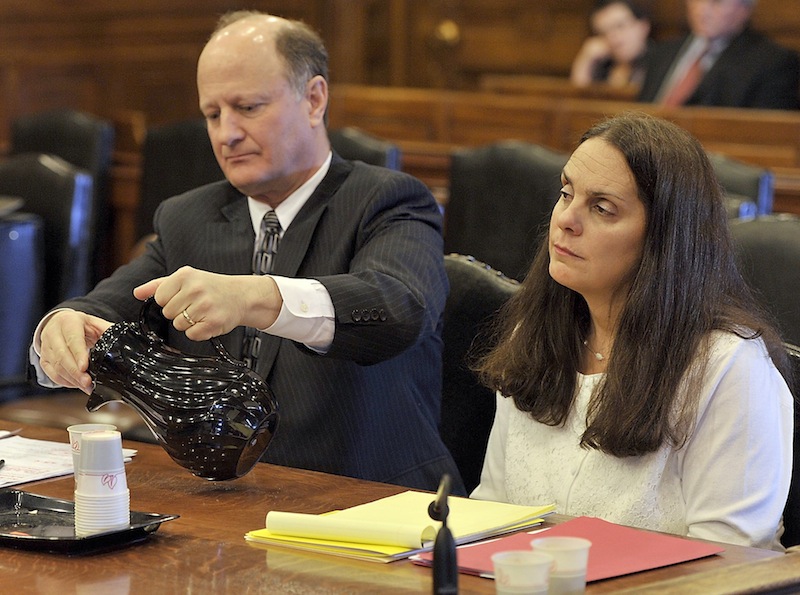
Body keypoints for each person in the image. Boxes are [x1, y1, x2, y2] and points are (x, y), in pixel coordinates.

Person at [31, 11, 465, 495]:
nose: (226, 133)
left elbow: (398, 306)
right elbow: (105, 307)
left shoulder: (389, 200)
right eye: (213, 114)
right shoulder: (187, 218)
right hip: (231, 506)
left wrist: (251, 298)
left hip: (375, 503)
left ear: (314, 99)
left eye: (249, 107)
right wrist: (62, 326)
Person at [470, 112, 794, 550]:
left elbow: (729, 560)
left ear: (663, 238)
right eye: (566, 194)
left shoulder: (727, 366)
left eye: (602, 208)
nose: (566, 219)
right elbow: (492, 514)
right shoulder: (535, 332)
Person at [637, 0, 800, 109]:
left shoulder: (774, 63)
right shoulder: (663, 52)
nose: (702, 10)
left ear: (745, 9)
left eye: (716, 1)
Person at [570, 0, 652, 89]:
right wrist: (585, 59)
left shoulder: (660, 64)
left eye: (620, 26)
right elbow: (579, 97)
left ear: (643, 26)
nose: (613, 38)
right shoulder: (603, 65)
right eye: (603, 33)